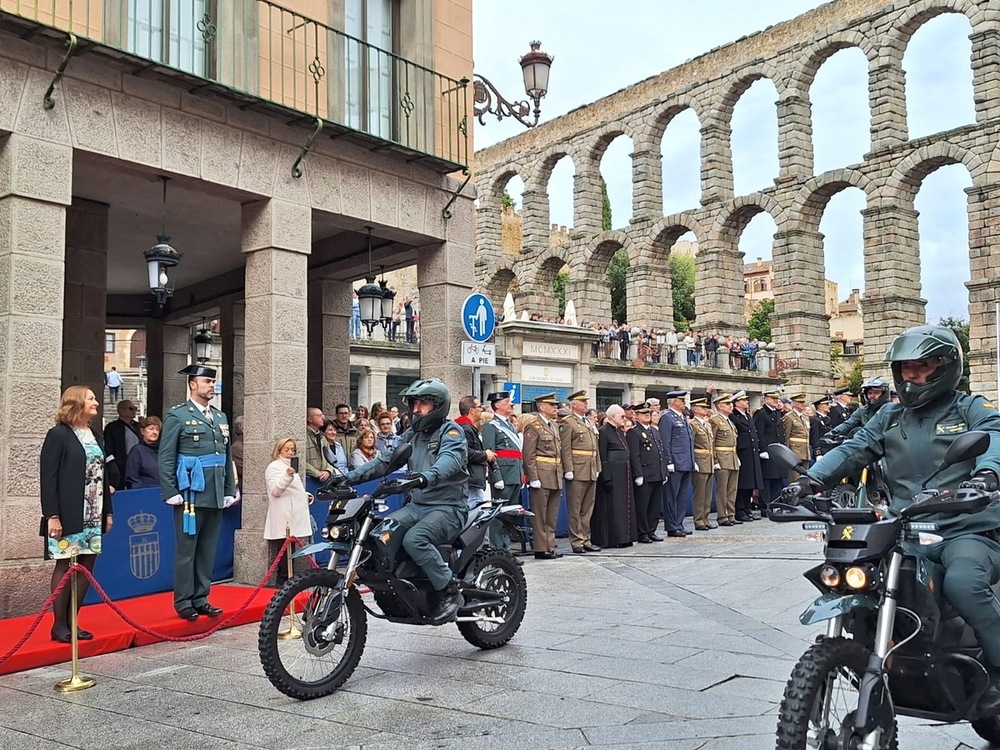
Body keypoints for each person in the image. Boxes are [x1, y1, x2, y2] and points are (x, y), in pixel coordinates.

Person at [786, 325, 1000, 697]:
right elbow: (854, 447)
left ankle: (997, 668)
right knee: (870, 575)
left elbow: (993, 434)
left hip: (964, 528)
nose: (911, 377)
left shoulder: (968, 408)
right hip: (905, 528)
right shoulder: (889, 416)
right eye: (905, 369)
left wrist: (986, 475)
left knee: (964, 583)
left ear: (947, 367)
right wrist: (809, 481)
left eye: (922, 367)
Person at [344, 378, 468, 623]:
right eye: (414, 403)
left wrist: (425, 477)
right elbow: (385, 461)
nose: (416, 409)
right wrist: (348, 478)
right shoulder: (411, 434)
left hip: (448, 507)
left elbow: (449, 461)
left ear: (439, 406)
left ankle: (449, 591)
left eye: (423, 403)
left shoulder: (451, 431)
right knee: (381, 534)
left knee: (416, 539)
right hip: (417, 506)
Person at [158, 365, 237, 622]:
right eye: (206, 381)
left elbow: (224, 458)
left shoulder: (220, 416)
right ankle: (183, 600)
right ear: (193, 384)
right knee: (187, 549)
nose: (211, 386)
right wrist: (170, 489)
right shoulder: (178, 416)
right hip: (190, 491)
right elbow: (167, 455)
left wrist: (228, 489)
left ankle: (201, 597)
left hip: (213, 492)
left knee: (207, 549)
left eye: (213, 382)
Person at [40, 385, 115, 643]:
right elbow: (48, 478)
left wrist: (108, 512)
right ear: (76, 404)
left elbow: (103, 477)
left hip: (94, 512)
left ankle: (74, 621)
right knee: (65, 563)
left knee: (86, 565)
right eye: (91, 398)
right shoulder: (58, 435)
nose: (96, 402)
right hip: (68, 513)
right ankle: (59, 624)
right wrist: (52, 515)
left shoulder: (95, 435)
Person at [264, 438, 313, 585]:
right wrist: (287, 475)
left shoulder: (291, 467)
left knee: (291, 547)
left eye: (293, 449)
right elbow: (275, 490)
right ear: (279, 450)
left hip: (294, 511)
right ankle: (283, 579)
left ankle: (289, 578)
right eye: (287, 449)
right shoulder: (274, 467)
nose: (291, 452)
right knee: (284, 548)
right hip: (284, 513)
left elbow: (294, 491)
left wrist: (305, 496)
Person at [522, 393, 564, 560]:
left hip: (554, 473)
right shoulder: (533, 426)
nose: (555, 408)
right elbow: (528, 454)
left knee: (551, 514)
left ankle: (550, 545)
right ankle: (540, 548)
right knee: (540, 513)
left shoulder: (553, 425)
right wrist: (533, 477)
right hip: (541, 473)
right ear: (541, 407)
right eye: (552, 405)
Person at [560, 390, 602, 553]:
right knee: (576, 508)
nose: (586, 403)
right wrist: (568, 468)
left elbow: (594, 448)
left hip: (590, 468)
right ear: (574, 404)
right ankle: (576, 541)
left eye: (586, 401)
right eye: (582, 401)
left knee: (587, 507)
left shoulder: (588, 422)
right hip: (577, 469)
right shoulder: (568, 422)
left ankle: (585, 538)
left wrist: (597, 467)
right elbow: (566, 448)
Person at [592, 405, 639, 547]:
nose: (624, 419)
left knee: (624, 506)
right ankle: (614, 539)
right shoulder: (604, 432)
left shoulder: (619, 431)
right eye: (622, 416)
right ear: (612, 417)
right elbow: (603, 455)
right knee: (613, 507)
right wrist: (606, 476)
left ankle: (625, 537)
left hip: (624, 474)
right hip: (612, 474)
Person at [482, 390, 524, 551]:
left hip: (514, 474)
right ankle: (499, 549)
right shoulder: (490, 426)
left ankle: (506, 549)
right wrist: (496, 476)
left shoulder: (509, 425)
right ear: (497, 405)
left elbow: (516, 453)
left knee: (509, 515)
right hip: (503, 475)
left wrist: (521, 474)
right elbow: (490, 453)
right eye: (507, 402)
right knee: (498, 516)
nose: (511, 405)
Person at [626, 404, 664, 543]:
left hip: (656, 473)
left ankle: (651, 530)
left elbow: (660, 452)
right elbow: (634, 455)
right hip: (645, 474)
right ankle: (642, 533)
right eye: (643, 413)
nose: (647, 415)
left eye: (648, 413)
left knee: (654, 506)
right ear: (636, 415)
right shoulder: (634, 432)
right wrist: (638, 474)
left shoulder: (654, 431)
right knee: (643, 506)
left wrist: (663, 472)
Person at [661, 390, 695, 537]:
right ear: (674, 401)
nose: (684, 403)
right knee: (671, 496)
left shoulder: (682, 418)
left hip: (686, 462)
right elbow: (665, 441)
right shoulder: (668, 418)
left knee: (681, 496)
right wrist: (669, 461)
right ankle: (672, 526)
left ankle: (679, 523)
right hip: (675, 463)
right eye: (681, 400)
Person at [731, 390, 763, 523]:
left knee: (751, 482)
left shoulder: (747, 416)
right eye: (743, 400)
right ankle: (740, 509)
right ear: (737, 403)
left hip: (752, 452)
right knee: (742, 483)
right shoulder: (734, 416)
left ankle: (747, 508)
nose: (746, 402)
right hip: (742, 453)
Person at [754, 388, 786, 512]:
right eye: (773, 399)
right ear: (766, 399)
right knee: (767, 479)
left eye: (777, 399)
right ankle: (765, 505)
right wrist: (762, 449)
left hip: (776, 451)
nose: (776, 401)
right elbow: (760, 433)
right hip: (767, 450)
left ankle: (775, 503)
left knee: (777, 478)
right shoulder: (761, 413)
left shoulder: (776, 413)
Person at [710, 394, 739, 527]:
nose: (730, 406)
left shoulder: (729, 421)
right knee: (722, 490)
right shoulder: (714, 420)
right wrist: (715, 460)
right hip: (722, 458)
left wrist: (736, 457)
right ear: (720, 406)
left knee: (732, 489)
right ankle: (722, 516)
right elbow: (712, 441)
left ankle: (731, 514)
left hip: (732, 458)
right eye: (727, 404)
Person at [456, 396, 491, 508]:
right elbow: (465, 453)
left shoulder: (466, 427)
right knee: (472, 513)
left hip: (471, 479)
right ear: (471, 410)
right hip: (470, 481)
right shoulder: (465, 428)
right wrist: (485, 454)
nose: (481, 409)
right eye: (479, 407)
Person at [689, 396, 717, 530]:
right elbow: (691, 444)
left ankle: (705, 518)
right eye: (702, 407)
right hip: (700, 461)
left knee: (707, 493)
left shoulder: (707, 424)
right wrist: (693, 462)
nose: (706, 409)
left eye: (706, 407)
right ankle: (699, 519)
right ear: (695, 409)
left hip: (709, 461)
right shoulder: (693, 424)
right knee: (699, 493)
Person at [104, 400, 141, 490]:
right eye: (131, 408)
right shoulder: (112, 427)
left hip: (138, 464)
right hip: (121, 465)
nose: (134, 411)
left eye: (135, 409)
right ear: (121, 410)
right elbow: (109, 447)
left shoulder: (139, 426)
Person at [124, 416, 162, 489]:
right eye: (151, 429)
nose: (154, 432)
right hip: (145, 493)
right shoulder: (137, 451)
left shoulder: (163, 451)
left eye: (157, 429)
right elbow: (132, 478)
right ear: (142, 431)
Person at [304, 407, 332, 483]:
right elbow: (300, 460)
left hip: (324, 479)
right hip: (309, 479)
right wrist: (316, 473)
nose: (323, 418)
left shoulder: (322, 437)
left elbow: (330, 458)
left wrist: (328, 471)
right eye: (318, 416)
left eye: (322, 415)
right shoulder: (303, 436)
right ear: (310, 419)